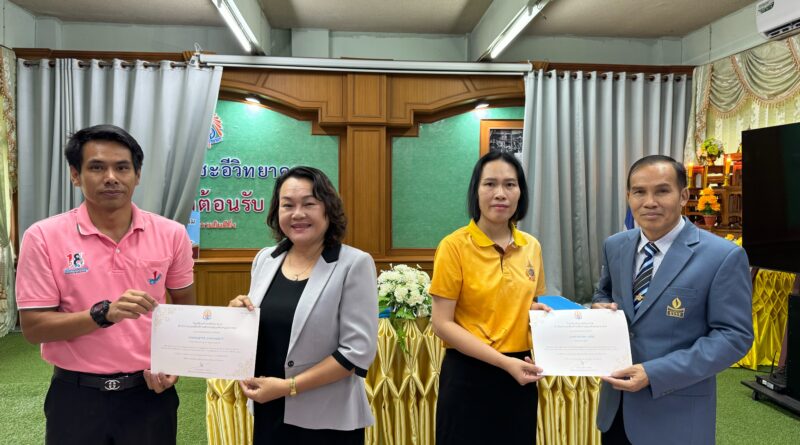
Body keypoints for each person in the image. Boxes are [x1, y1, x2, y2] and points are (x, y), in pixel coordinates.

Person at [16, 124, 196, 444]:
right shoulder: (43, 237)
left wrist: (172, 361)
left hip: (148, 395)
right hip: (75, 396)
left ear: (137, 175)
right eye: (97, 167)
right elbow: (34, 328)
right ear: (75, 175)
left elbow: (184, 307)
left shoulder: (171, 234)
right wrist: (103, 314)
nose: (111, 177)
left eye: (122, 168)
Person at [592, 155, 753, 444]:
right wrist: (599, 307)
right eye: (639, 192)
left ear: (684, 196)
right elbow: (604, 292)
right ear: (628, 197)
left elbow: (734, 337)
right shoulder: (615, 245)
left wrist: (654, 373)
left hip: (675, 414)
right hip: (616, 409)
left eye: (662, 191)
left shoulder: (723, 256)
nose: (649, 202)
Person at [228, 166, 377, 444]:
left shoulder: (354, 264)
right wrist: (238, 316)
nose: (297, 214)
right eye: (288, 205)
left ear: (328, 209)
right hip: (269, 405)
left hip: (327, 416)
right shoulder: (265, 259)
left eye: (309, 204)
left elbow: (356, 352)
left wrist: (289, 387)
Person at [430, 151, 551, 445]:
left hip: (520, 373)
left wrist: (538, 313)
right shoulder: (453, 246)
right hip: (468, 374)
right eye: (490, 184)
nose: (500, 193)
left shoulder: (531, 246)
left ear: (521, 192)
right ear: (476, 190)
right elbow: (442, 324)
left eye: (510, 184)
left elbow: (527, 302)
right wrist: (503, 362)